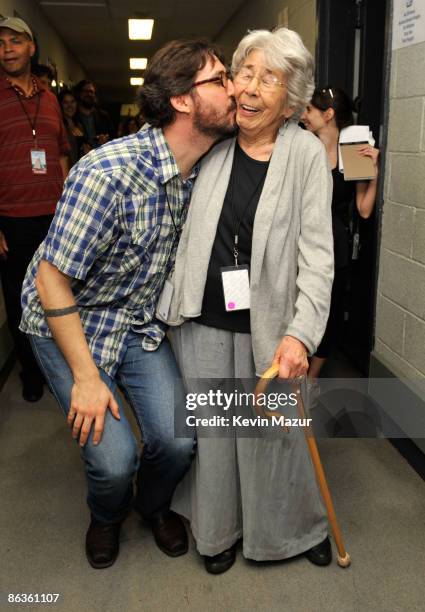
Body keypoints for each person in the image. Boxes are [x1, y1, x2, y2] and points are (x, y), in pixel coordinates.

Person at [20, 39, 236, 569]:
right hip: (66, 318)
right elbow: (51, 279)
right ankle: (107, 514)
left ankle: (153, 506)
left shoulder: (203, 168)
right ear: (184, 100)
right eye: (222, 78)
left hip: (134, 320)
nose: (236, 89)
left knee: (178, 441)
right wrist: (88, 378)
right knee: (114, 461)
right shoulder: (108, 173)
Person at [161, 28, 334, 574]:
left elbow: (318, 256)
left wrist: (301, 334)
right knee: (216, 436)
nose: (252, 89)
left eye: (270, 79)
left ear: (292, 99)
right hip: (205, 320)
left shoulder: (304, 154)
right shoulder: (213, 141)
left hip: (273, 323)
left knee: (275, 436)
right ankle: (217, 532)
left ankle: (294, 529)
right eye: (246, 73)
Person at [0, 16, 69, 402]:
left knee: (57, 293)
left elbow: (60, 154)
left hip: (54, 218)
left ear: (31, 48)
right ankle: (31, 370)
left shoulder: (50, 98)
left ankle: (58, 363)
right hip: (11, 220)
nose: (6, 48)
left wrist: (69, 205)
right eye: (1, 42)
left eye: (15, 40)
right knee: (19, 300)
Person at [300, 87, 379, 386]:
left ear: (328, 114)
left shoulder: (354, 146)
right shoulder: (302, 144)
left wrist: (375, 170)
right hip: (300, 237)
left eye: (309, 110)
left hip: (334, 244)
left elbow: (364, 209)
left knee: (330, 316)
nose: (303, 116)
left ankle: (309, 381)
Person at [74, 79, 115, 148]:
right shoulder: (73, 117)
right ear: (79, 93)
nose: (89, 94)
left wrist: (106, 140)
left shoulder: (104, 116)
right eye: (85, 91)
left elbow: (113, 139)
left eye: (91, 92)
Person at [58, 90, 90, 166]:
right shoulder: (59, 126)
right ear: (60, 105)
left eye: (72, 102)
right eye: (66, 103)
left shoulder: (80, 125)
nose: (70, 106)